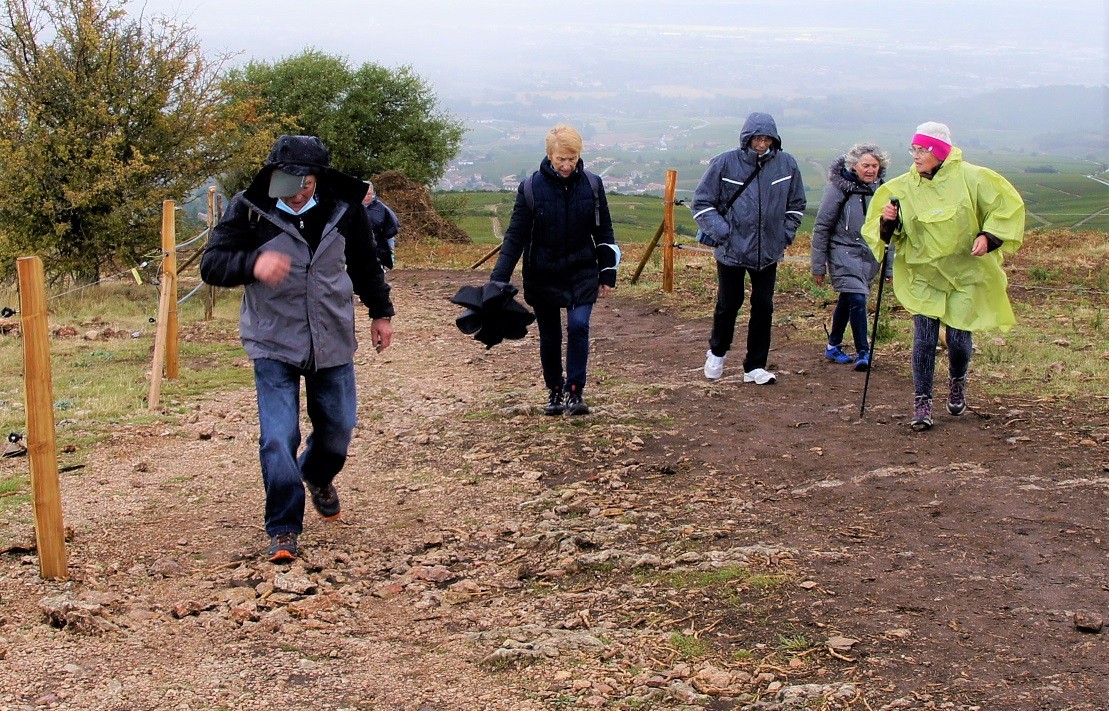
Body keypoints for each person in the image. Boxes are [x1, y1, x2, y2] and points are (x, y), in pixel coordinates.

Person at [200, 135, 395, 563]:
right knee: (277, 437)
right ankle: (284, 528)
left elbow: (365, 262)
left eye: (303, 184)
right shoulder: (249, 208)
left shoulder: (344, 209)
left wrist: (381, 312)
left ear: (317, 180)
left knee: (339, 431)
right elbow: (211, 265)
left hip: (332, 338)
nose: (294, 193)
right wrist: (252, 265)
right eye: (284, 182)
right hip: (273, 339)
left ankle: (317, 474)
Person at [862, 122, 1024, 431]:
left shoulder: (973, 178)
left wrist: (989, 237)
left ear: (939, 151)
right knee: (924, 339)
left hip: (965, 274)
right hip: (923, 274)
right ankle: (922, 403)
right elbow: (883, 234)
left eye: (922, 150)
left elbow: (1005, 207)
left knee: (959, 342)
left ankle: (957, 382)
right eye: (914, 149)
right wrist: (887, 222)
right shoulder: (900, 188)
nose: (916, 156)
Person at [489, 124, 619, 416]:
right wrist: (498, 278)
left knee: (579, 325)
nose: (566, 164)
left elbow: (605, 232)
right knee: (550, 335)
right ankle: (554, 390)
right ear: (549, 155)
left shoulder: (593, 185)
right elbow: (515, 236)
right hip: (542, 273)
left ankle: (575, 391)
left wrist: (608, 272)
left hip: (582, 270)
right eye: (561, 158)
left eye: (571, 158)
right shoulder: (531, 188)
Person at [692, 111, 806, 385]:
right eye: (757, 138)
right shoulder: (725, 163)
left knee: (764, 306)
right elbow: (702, 203)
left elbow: (796, 204)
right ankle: (717, 351)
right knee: (729, 303)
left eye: (767, 138)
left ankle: (755, 366)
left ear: (774, 139)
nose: (762, 144)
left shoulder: (787, 164)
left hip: (768, 251)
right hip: (732, 250)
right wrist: (724, 233)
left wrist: (785, 234)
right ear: (747, 138)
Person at [811, 142, 892, 372]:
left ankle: (833, 345)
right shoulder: (839, 189)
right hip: (842, 252)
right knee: (857, 298)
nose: (870, 170)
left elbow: (890, 232)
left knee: (849, 299)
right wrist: (818, 266)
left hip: (869, 256)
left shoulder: (882, 191)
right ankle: (863, 351)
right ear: (854, 165)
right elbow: (822, 227)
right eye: (866, 165)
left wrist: (888, 268)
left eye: (875, 166)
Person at [362, 180, 400, 270]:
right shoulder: (353, 207)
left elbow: (391, 229)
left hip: (378, 248)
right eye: (364, 194)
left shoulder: (381, 208)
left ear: (373, 193)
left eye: (369, 194)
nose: (366, 197)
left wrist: (390, 251)